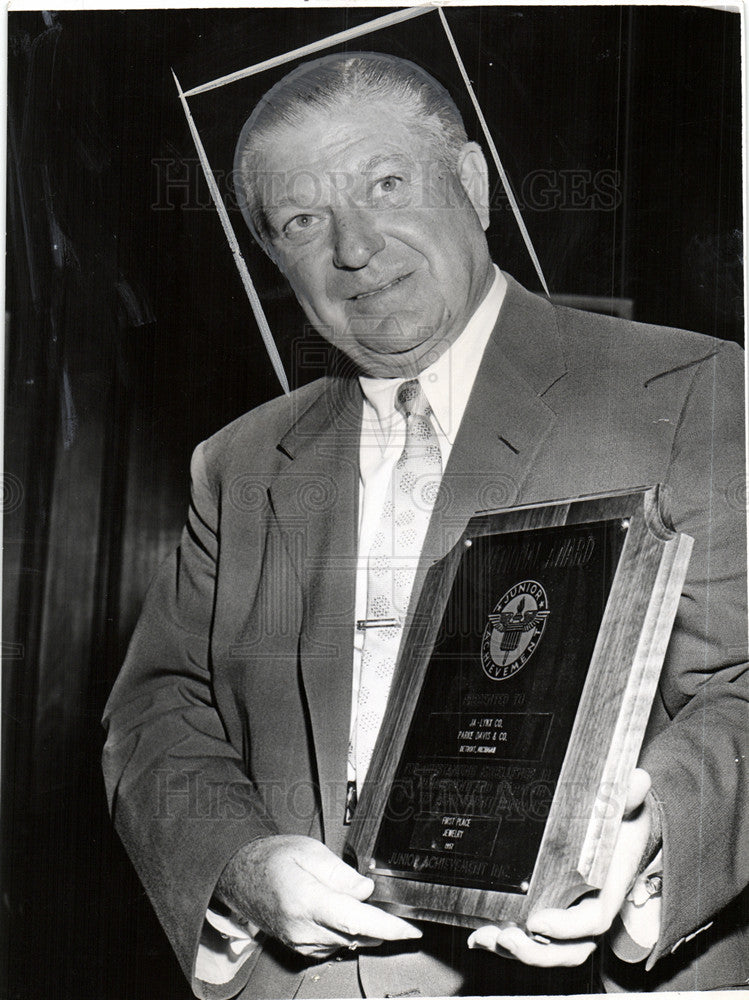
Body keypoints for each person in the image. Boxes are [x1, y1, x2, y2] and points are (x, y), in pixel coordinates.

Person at [102, 52, 747, 999]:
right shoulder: (235, 465)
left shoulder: (689, 391)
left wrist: (651, 839)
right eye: (303, 222)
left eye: (387, 185)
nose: (354, 249)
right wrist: (240, 866)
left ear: (472, 185)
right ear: (275, 259)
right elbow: (157, 712)